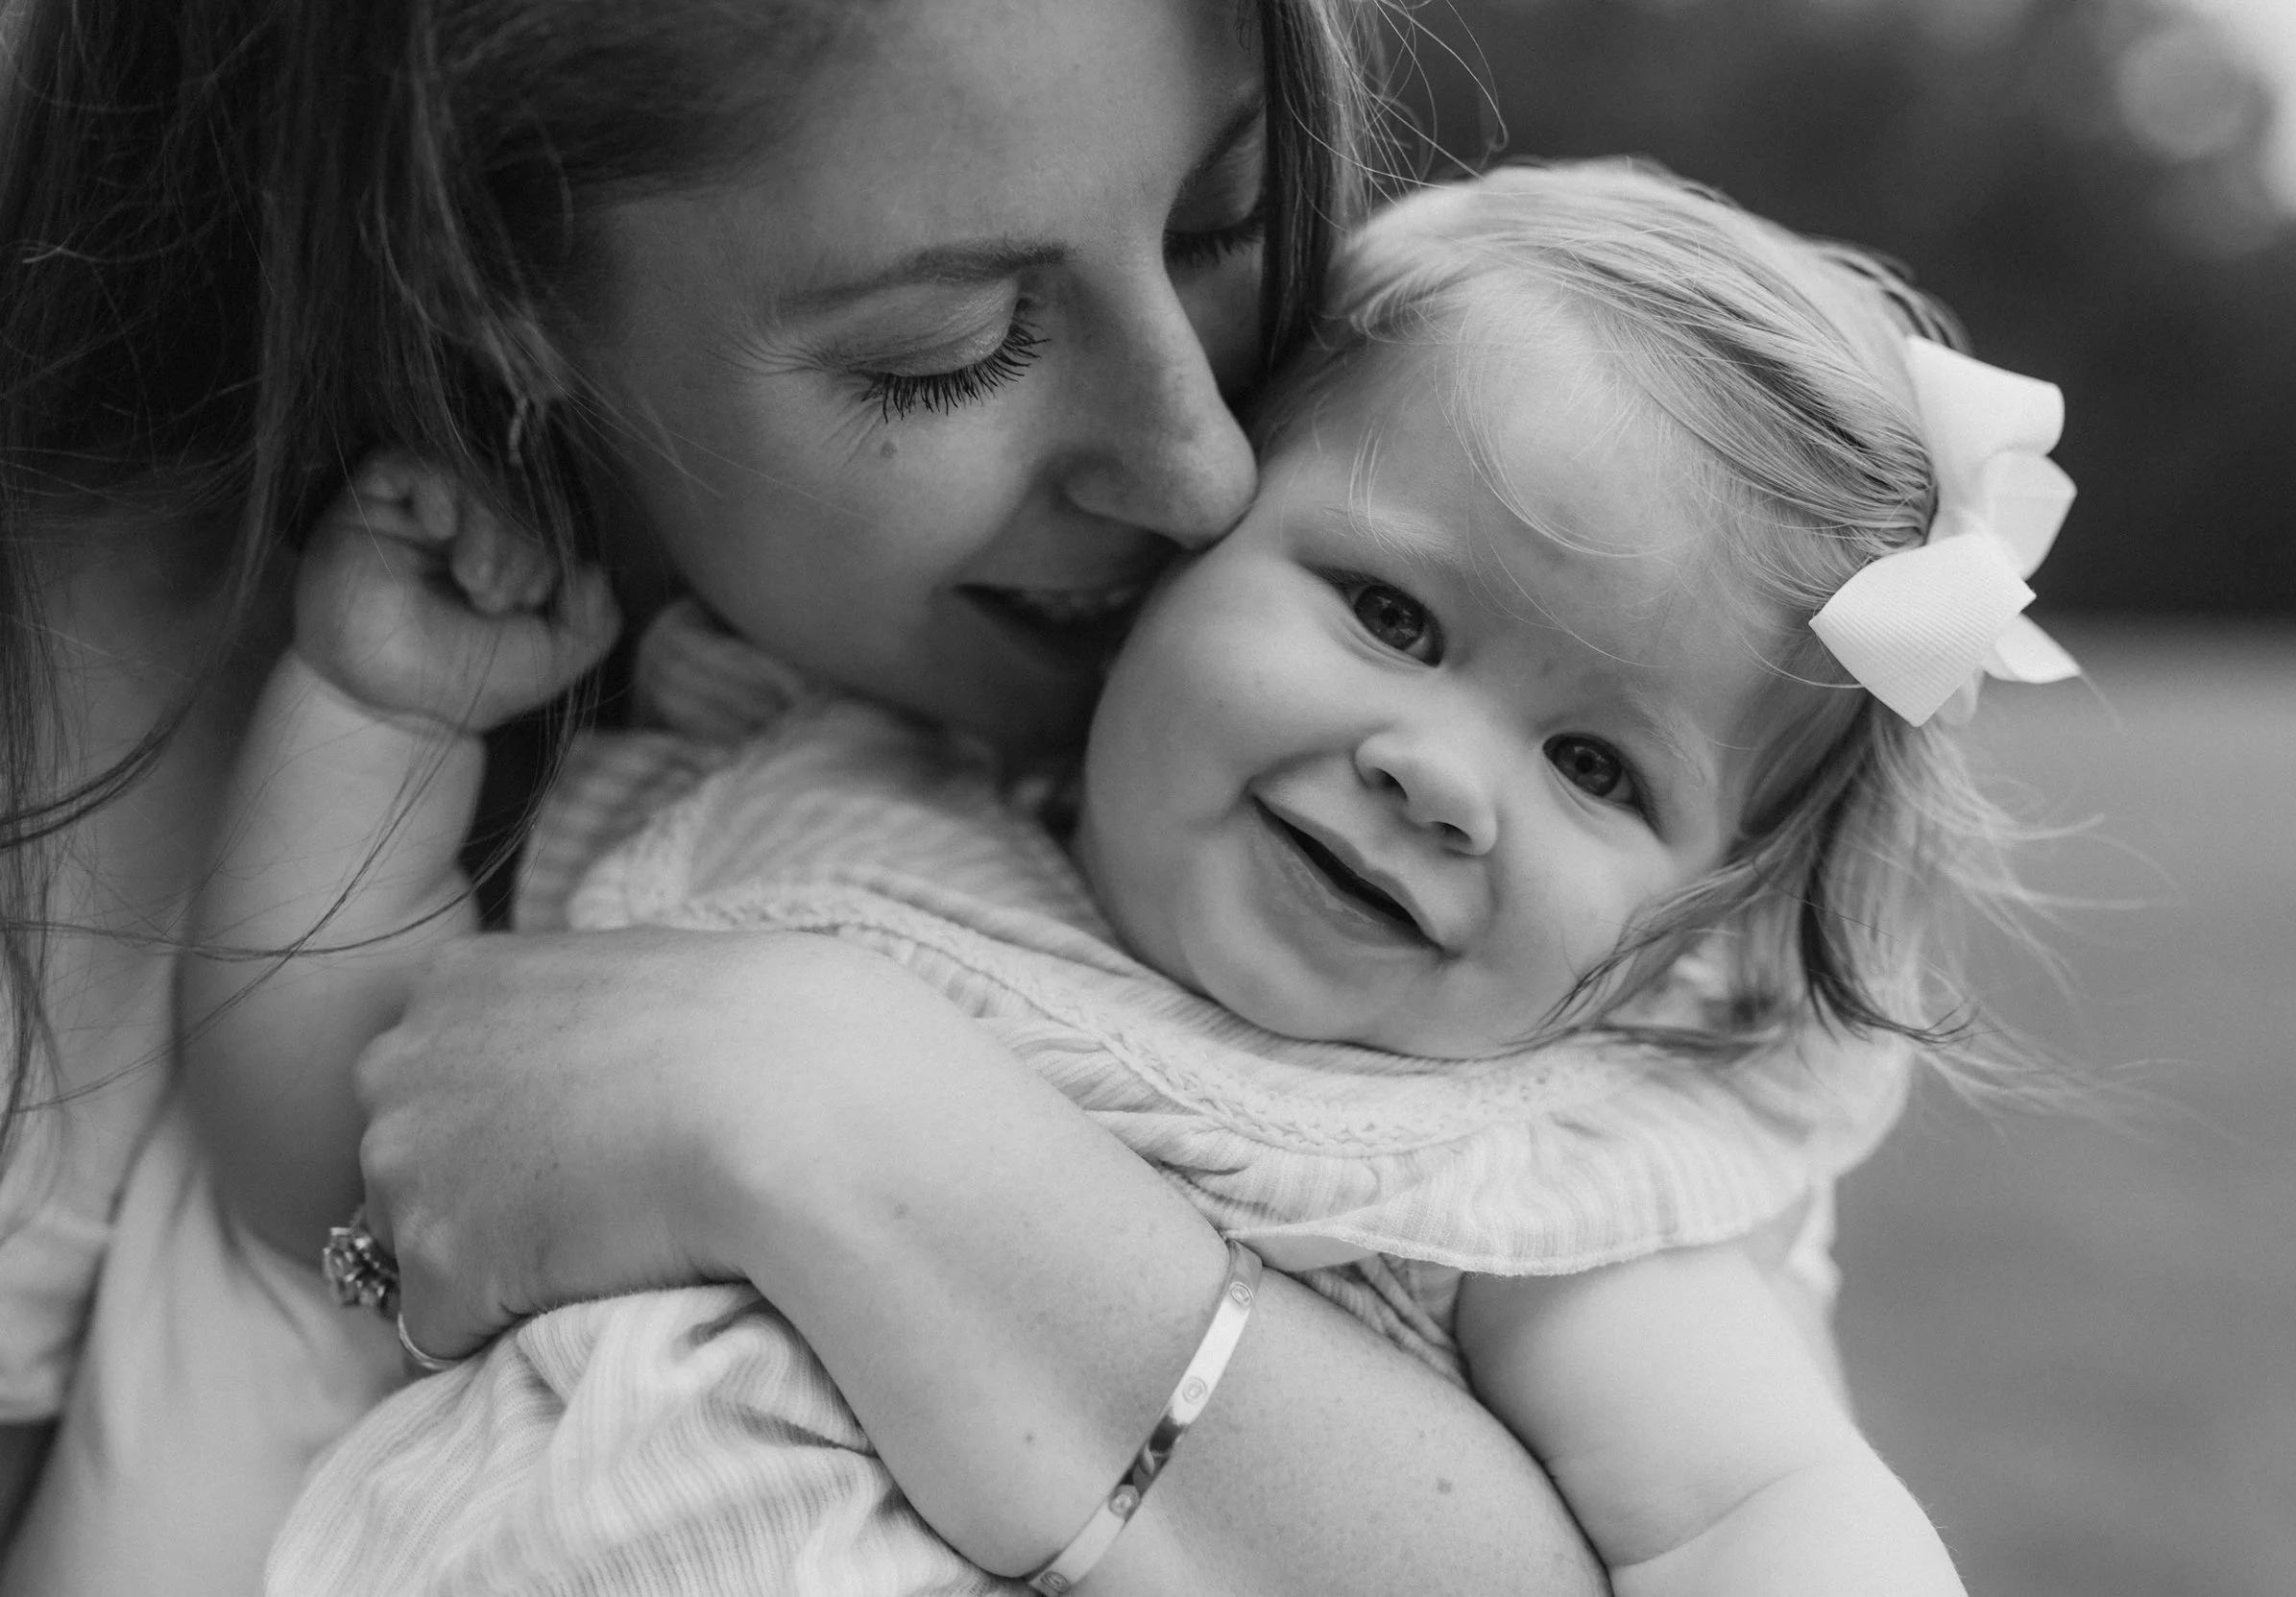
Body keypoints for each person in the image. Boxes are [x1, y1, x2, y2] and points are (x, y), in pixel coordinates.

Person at [0, 2, 1656, 1593]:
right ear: (483, 285)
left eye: (1227, 218)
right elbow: (342, 1173)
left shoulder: (1488, 800)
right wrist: (377, 722)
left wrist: (824, 1105)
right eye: (952, 351)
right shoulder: (685, 760)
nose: (1201, 463)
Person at [232, 161, 2068, 1593]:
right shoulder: (805, 801)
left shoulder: (1513, 1180)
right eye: (1393, 613)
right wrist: (377, 720)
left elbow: (1765, 1512)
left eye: (1597, 766)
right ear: (1172, 553)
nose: (1439, 778)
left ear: (1686, 925)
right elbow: (339, 1159)